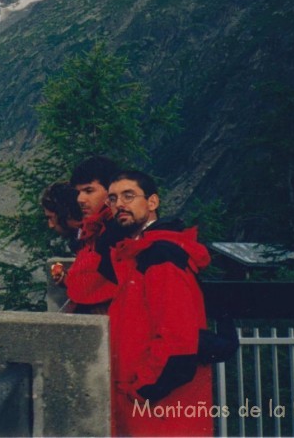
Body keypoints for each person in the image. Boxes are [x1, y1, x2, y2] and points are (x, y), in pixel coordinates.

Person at [106, 170, 212, 437]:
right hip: (150, 405)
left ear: (152, 202)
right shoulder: (139, 253)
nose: (119, 204)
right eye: (113, 199)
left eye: (129, 196)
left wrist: (141, 389)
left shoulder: (160, 255)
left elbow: (177, 340)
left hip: (159, 408)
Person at [63, 156, 126, 311]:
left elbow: (89, 287)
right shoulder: (96, 228)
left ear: (111, 192)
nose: (80, 199)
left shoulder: (117, 231)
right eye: (78, 192)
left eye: (89, 190)